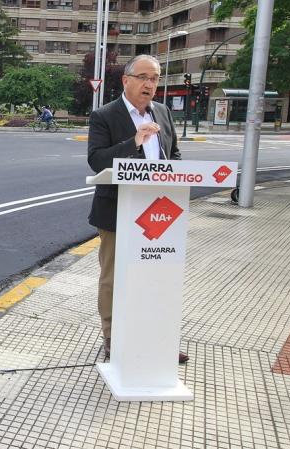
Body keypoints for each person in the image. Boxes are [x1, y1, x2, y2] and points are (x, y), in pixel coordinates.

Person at [86, 55, 188, 363]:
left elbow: (175, 155)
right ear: (126, 80)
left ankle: (156, 337)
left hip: (159, 212)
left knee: (156, 276)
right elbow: (97, 159)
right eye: (143, 76)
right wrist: (135, 140)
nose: (149, 84)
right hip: (117, 210)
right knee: (114, 277)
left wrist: (178, 175)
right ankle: (112, 337)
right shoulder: (105, 115)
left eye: (155, 78)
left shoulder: (163, 112)